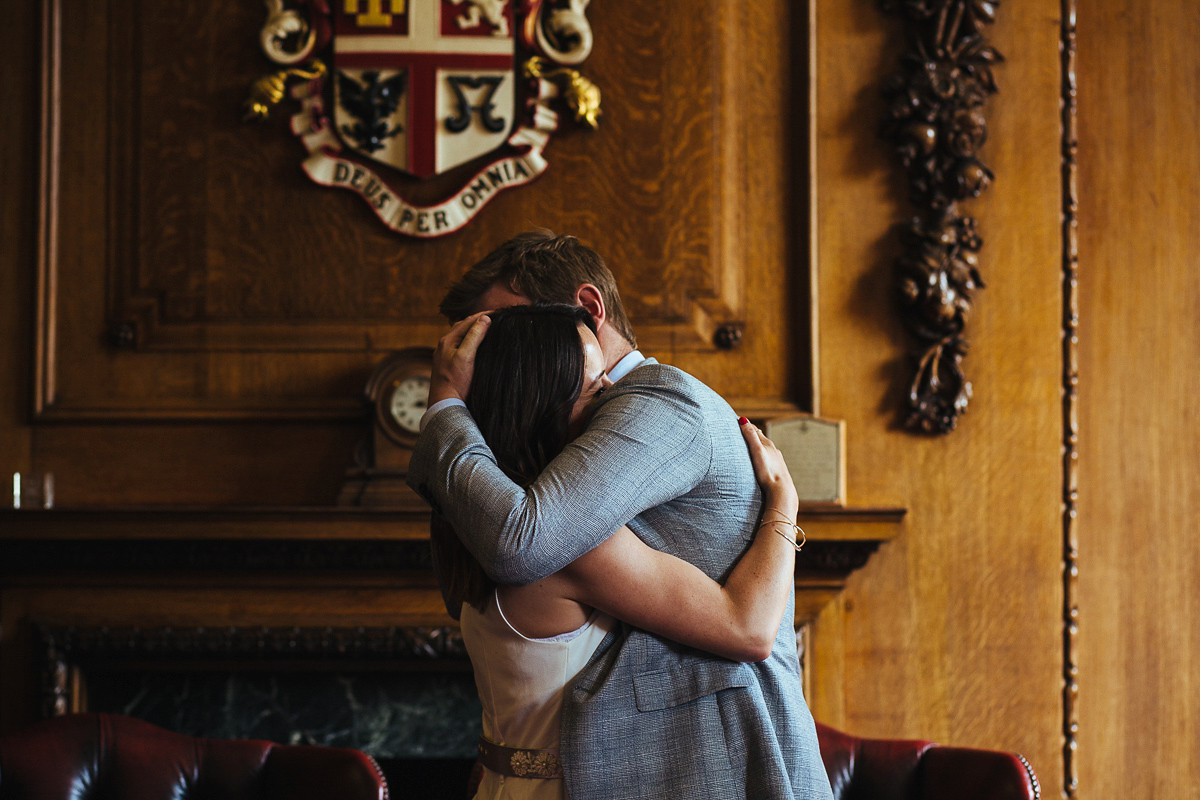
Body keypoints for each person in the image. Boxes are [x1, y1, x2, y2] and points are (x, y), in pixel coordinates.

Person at [409, 231, 833, 800]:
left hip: (734, 760)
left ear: (587, 309)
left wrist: (444, 405)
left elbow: (522, 543)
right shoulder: (537, 470)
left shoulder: (658, 401)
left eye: (501, 325)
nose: (482, 353)